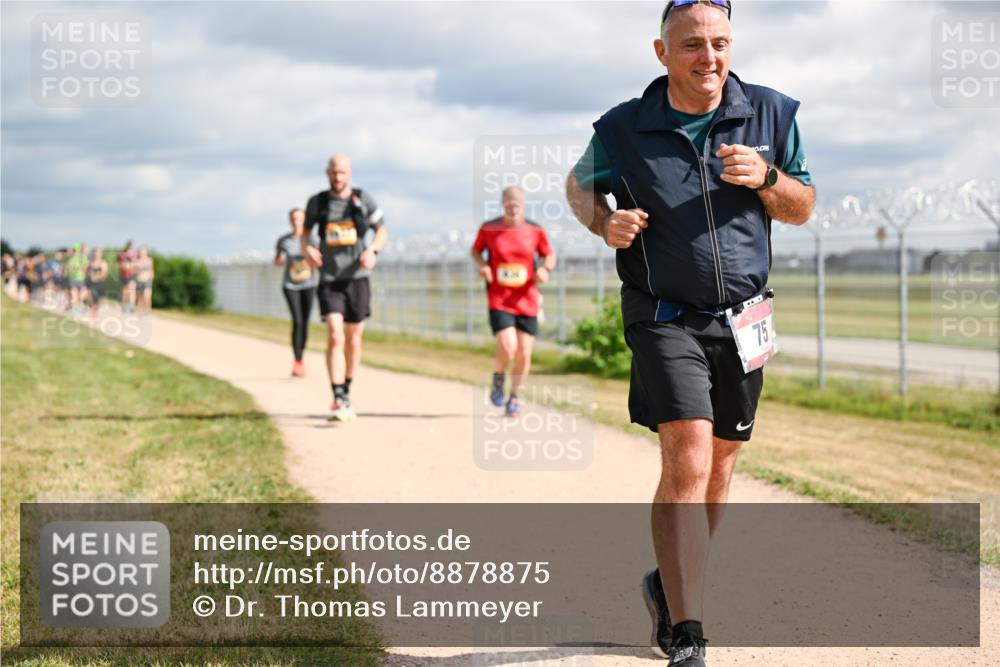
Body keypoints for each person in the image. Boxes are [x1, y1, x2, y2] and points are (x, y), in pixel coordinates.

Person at [565, 2, 815, 664]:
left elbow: (803, 205)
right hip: (663, 313)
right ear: (661, 51)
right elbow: (578, 186)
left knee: (722, 466)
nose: (709, 57)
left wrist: (767, 179)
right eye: (693, 45)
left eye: (720, 43)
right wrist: (603, 223)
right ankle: (689, 630)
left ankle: (667, 584)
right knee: (690, 455)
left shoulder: (770, 114)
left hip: (744, 319)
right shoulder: (623, 128)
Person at [302, 154, 387, 421]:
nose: (337, 178)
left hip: (358, 278)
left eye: (342, 173)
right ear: (327, 173)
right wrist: (308, 249)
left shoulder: (363, 200)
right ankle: (337, 395)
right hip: (330, 278)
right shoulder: (318, 202)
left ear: (349, 173)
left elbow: (382, 230)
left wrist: (372, 250)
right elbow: (306, 233)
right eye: (333, 173)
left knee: (353, 338)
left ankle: (347, 388)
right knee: (335, 335)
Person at [471, 185, 557, 418]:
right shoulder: (489, 228)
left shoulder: (535, 230)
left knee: (524, 353)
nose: (513, 209)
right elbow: (476, 251)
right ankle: (499, 379)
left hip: (527, 299)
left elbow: (549, 254)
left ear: (523, 205)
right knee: (508, 347)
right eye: (509, 205)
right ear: (502, 204)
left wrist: (545, 269)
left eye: (517, 205)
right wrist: (484, 266)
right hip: (500, 298)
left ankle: (515, 398)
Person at [275, 207, 317, 377]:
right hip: (290, 285)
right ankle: (297, 361)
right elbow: (277, 260)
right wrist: (280, 259)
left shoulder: (312, 239)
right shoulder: (284, 240)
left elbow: (319, 260)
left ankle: (301, 358)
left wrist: (311, 260)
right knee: (297, 321)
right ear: (290, 221)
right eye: (294, 218)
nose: (296, 221)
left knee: (305, 323)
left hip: (308, 284)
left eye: (300, 218)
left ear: (304, 220)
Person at [65, 244, 89, 316]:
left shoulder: (82, 257)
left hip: (81, 278)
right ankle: (75, 311)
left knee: (81, 296)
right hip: (72, 279)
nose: (72, 251)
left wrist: (76, 267)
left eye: (74, 250)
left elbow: (86, 269)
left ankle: (81, 308)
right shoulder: (71, 258)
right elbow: (67, 269)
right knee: (74, 294)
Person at [86, 247, 109, 320]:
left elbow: (104, 274)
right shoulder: (90, 262)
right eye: (96, 252)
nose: (97, 254)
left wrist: (97, 277)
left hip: (99, 283)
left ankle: (95, 313)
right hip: (91, 283)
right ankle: (92, 313)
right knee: (91, 296)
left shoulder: (103, 263)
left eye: (99, 253)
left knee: (96, 298)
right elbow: (87, 271)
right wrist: (90, 275)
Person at [117, 240, 137, 313]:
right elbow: (119, 264)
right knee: (125, 291)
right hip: (124, 275)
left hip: (132, 275)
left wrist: (131, 267)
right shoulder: (122, 254)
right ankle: (125, 306)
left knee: (132, 290)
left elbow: (136, 265)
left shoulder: (134, 254)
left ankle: (131, 306)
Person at [134, 246, 154, 315]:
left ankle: (147, 313)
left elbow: (151, 270)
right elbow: (134, 271)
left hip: (147, 281)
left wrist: (151, 278)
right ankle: (140, 314)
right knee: (140, 298)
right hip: (139, 281)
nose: (142, 252)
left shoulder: (149, 260)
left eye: (143, 251)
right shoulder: (137, 261)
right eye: (141, 251)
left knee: (147, 297)